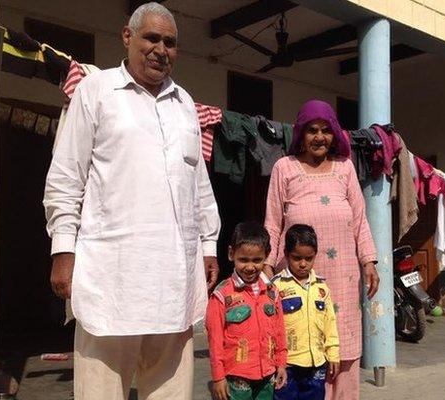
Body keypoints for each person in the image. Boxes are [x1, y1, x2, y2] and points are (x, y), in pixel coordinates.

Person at [43, 3, 220, 399]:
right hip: (111, 278)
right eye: (151, 38)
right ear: (127, 37)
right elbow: (66, 177)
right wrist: (63, 250)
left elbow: (198, 184)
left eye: (170, 42)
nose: (161, 49)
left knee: (171, 392)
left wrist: (208, 245)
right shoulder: (96, 90)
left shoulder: (185, 105)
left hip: (174, 280)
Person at [264, 99, 379, 400]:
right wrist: (265, 268)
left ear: (335, 135)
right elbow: (273, 223)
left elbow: (359, 218)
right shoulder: (284, 168)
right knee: (301, 347)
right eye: (312, 130)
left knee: (343, 346)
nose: (319, 137)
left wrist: (368, 261)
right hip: (297, 282)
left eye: (326, 130)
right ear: (301, 133)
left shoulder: (345, 168)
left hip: (342, 279)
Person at [205, 222, 287, 400]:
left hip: (267, 375)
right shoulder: (221, 295)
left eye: (257, 260)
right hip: (236, 378)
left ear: (266, 256)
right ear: (231, 254)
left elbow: (280, 331)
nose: (250, 267)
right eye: (243, 260)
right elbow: (215, 341)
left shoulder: (272, 291)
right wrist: (218, 377)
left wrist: (281, 363)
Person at [273, 224, 340, 400]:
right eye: (297, 258)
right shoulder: (276, 287)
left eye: (308, 258)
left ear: (315, 256)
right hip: (287, 365)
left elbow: (330, 324)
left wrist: (333, 354)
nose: (303, 264)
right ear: (286, 254)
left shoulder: (322, 288)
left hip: (317, 364)